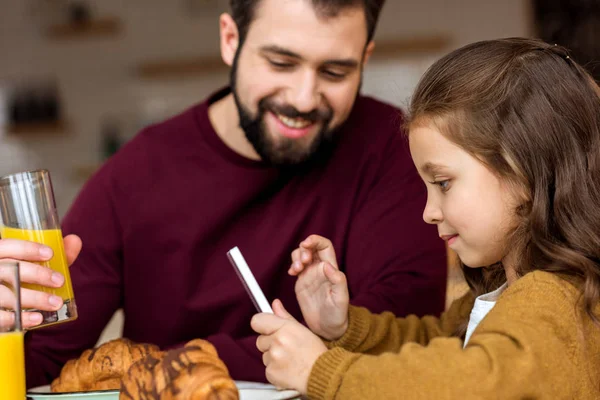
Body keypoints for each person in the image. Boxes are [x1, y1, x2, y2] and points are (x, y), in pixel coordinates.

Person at [21, 0, 447, 387]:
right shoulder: (135, 174)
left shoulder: (394, 148)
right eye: (281, 63)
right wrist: (7, 324)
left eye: (335, 72)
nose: (303, 99)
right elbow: (38, 356)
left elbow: (402, 332)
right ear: (231, 40)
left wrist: (162, 364)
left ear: (364, 59)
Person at [251, 37, 600, 399]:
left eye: (444, 183)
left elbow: (463, 384)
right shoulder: (509, 293)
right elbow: (434, 348)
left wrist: (320, 372)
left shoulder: (555, 301)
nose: (428, 212)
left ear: (523, 172)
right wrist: (341, 328)